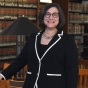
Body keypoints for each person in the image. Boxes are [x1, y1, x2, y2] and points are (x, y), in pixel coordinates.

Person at [0, 3, 78, 88]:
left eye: (55, 15)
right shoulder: (33, 37)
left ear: (60, 17)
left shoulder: (67, 40)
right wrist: (2, 75)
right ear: (42, 17)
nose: (50, 17)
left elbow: (72, 71)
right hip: (31, 84)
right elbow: (20, 60)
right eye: (47, 14)